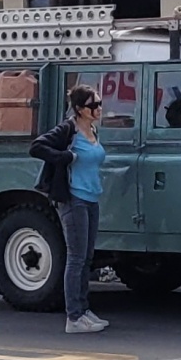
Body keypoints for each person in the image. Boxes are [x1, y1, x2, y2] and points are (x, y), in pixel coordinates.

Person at [30, 85, 109, 334]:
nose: (98, 109)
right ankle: (73, 316)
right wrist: (65, 157)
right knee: (76, 258)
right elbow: (37, 147)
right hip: (73, 199)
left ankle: (83, 311)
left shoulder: (92, 130)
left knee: (86, 258)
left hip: (91, 198)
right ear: (79, 109)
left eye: (99, 103)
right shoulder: (68, 129)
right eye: (93, 105)